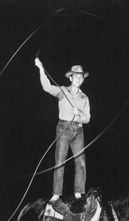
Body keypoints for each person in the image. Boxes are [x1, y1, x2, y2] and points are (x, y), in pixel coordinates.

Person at [34, 58, 91, 202]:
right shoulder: (62, 91)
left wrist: (79, 113)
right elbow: (47, 87)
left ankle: (79, 192)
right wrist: (41, 68)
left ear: (83, 80)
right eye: (75, 76)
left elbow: (87, 118)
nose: (78, 79)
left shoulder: (85, 98)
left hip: (78, 130)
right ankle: (56, 194)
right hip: (63, 128)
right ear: (71, 78)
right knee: (60, 161)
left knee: (81, 162)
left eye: (81, 77)